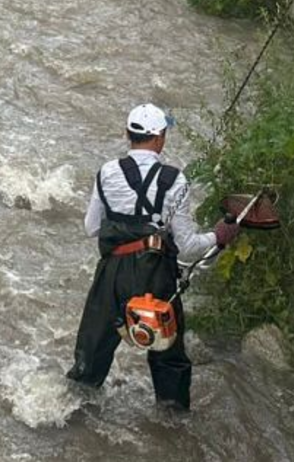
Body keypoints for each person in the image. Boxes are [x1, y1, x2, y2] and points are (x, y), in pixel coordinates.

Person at [65, 103, 239, 411]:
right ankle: (172, 420)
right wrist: (219, 236)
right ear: (159, 138)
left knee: (91, 350)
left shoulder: (106, 173)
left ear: (128, 135)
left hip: (113, 274)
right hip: (156, 275)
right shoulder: (175, 180)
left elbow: (92, 227)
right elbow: (186, 247)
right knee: (168, 355)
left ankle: (74, 408)